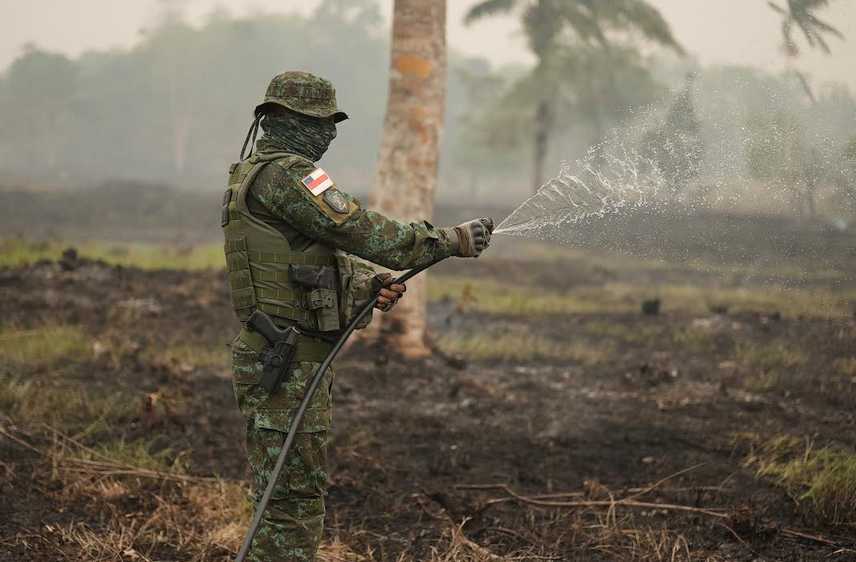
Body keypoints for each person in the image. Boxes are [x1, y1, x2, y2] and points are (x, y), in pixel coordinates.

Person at [222, 70, 492, 562]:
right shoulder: (289, 175)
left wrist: (366, 284)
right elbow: (358, 231)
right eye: (319, 122)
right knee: (293, 503)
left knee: (280, 495)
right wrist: (445, 240)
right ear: (280, 120)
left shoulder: (252, 173)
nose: (328, 133)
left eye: (332, 123)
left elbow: (298, 259)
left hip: (279, 354)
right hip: (288, 360)